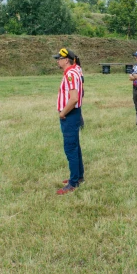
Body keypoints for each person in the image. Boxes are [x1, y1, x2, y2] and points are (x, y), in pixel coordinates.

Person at [53, 48, 84, 195]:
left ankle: (73, 183)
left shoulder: (71, 74)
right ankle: (78, 176)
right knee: (75, 146)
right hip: (74, 114)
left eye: (59, 59)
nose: (57, 61)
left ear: (66, 60)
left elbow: (74, 98)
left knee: (70, 148)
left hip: (69, 114)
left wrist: (63, 113)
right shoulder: (75, 70)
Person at [74, 56, 85, 129]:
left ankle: (80, 124)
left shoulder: (76, 68)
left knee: (76, 108)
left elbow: (82, 79)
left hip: (78, 90)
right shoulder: (78, 67)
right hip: (79, 90)